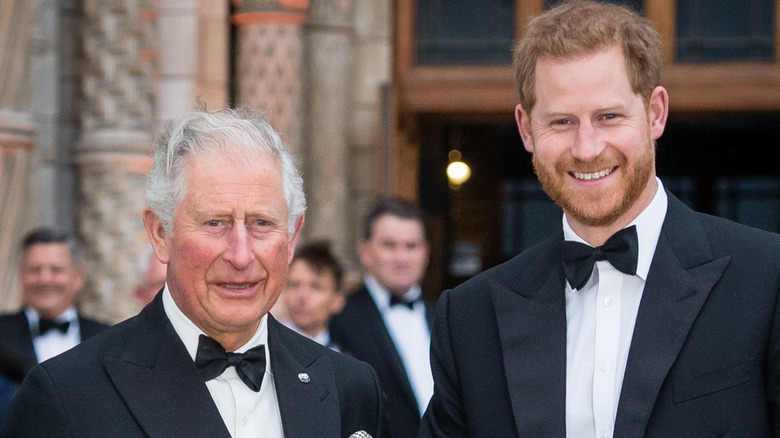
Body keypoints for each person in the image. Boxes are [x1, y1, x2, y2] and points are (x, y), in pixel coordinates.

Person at [418, 1, 780, 437]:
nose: (587, 148)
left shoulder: (767, 278)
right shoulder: (470, 318)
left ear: (655, 113)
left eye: (608, 117)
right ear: (527, 129)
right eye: (562, 121)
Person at [2, 108, 385, 438]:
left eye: (262, 223)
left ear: (292, 237)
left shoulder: (348, 387)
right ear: (161, 234)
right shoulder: (68, 396)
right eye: (215, 222)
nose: (240, 254)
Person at [330, 197, 435, 438]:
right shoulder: (340, 317)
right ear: (365, 251)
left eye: (411, 246)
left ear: (425, 253)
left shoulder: (445, 315)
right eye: (389, 245)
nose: (402, 258)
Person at [0, 228, 109, 383]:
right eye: (35, 270)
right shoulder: (3, 333)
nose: (45, 279)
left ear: (78, 278)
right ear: (21, 276)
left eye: (56, 270)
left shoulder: (105, 337)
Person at [281, 241, 346, 351]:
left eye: (316, 287)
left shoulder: (347, 356)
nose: (302, 296)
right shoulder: (262, 349)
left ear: (338, 300)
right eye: (294, 285)